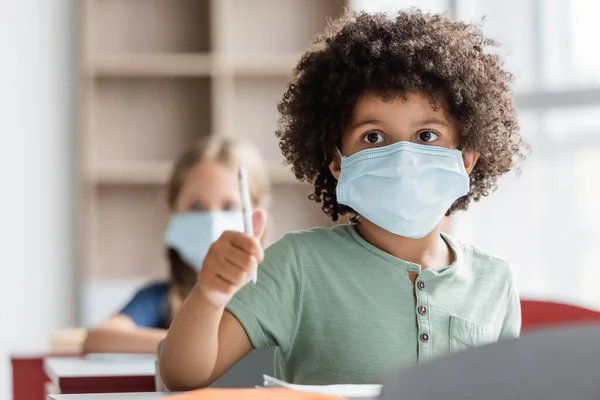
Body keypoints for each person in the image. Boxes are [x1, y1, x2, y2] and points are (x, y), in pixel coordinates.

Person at [160, 9, 529, 389]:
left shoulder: (494, 280)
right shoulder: (297, 266)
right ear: (338, 163)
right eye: (373, 137)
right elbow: (184, 375)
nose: (402, 159)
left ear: (466, 160)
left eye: (426, 136)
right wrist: (209, 295)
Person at [82, 137, 270, 354]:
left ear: (257, 215)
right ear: (171, 213)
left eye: (229, 207)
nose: (212, 220)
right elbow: (98, 339)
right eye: (197, 207)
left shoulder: (278, 294)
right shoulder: (159, 298)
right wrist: (195, 343)